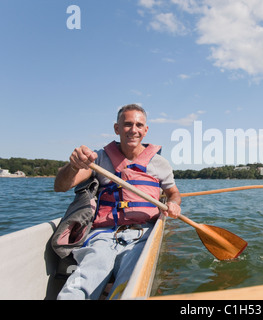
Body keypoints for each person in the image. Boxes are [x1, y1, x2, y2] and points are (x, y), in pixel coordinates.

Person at [54, 104, 181, 300]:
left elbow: (173, 193)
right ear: (117, 128)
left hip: (143, 234)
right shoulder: (98, 159)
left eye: (139, 125)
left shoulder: (160, 164)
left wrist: (174, 203)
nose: (134, 130)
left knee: (132, 281)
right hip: (103, 234)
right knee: (86, 275)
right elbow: (60, 186)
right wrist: (73, 166)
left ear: (146, 130)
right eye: (128, 124)